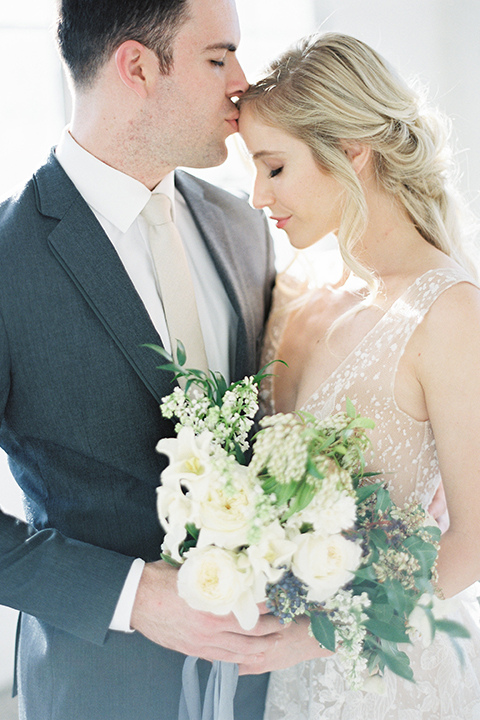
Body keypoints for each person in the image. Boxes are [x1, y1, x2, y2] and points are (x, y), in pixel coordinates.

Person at [0, 0, 280, 718]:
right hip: (95, 688)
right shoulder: (7, 259)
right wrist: (130, 595)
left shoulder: (246, 226)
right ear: (137, 67)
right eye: (219, 58)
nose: (243, 82)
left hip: (262, 681)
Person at [238, 32, 480, 719]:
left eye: (274, 168)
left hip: (393, 677)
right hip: (286, 680)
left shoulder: (450, 311)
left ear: (352, 151)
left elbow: (475, 538)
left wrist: (310, 636)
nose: (257, 195)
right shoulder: (302, 299)